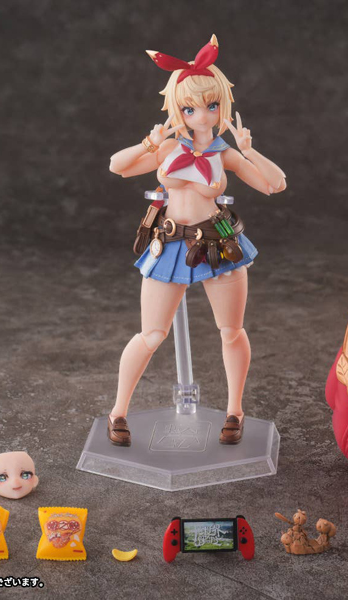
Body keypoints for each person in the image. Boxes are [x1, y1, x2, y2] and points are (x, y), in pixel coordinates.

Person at [107, 35, 287, 446]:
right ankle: (117, 411)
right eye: (190, 108)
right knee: (151, 334)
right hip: (170, 243)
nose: (202, 116)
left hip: (218, 244)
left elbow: (275, 184)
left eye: (211, 105)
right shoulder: (169, 146)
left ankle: (235, 410)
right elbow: (118, 166)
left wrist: (249, 151)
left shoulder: (225, 154)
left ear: (223, 105)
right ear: (178, 109)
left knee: (231, 331)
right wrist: (149, 143)